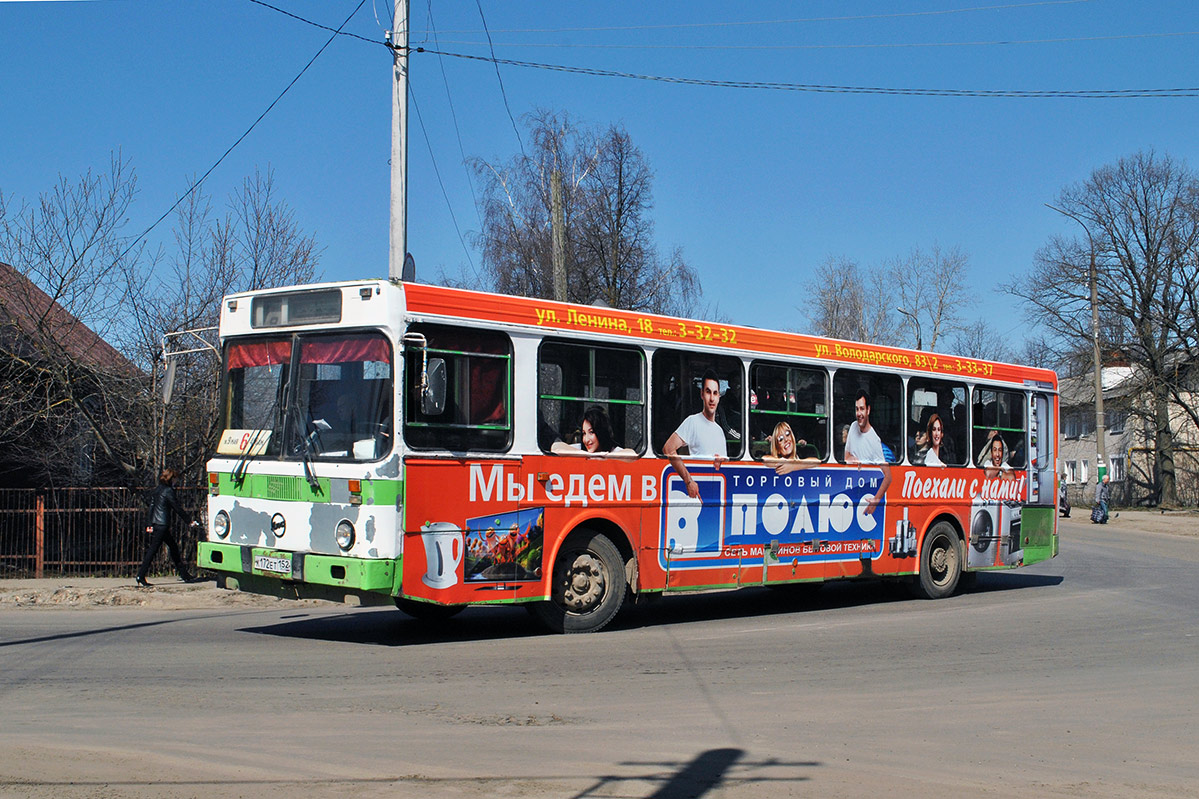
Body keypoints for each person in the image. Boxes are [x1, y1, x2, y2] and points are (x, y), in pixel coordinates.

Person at [663, 370, 728, 499]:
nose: (711, 398)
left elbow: (722, 466)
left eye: (715, 393)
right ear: (702, 394)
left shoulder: (720, 431)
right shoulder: (692, 421)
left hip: (715, 493)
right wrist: (688, 481)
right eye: (708, 392)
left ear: (719, 397)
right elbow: (668, 449)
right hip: (697, 492)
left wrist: (719, 462)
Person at [136, 468, 199, 587]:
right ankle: (140, 575)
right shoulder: (168, 491)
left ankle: (184, 574)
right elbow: (177, 508)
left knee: (173, 548)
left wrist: (149, 524)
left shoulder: (158, 489)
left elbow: (152, 507)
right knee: (153, 550)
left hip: (157, 524)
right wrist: (189, 521)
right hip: (162, 525)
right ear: (172, 478)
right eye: (175, 479)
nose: (176, 481)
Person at [842, 390, 892, 514]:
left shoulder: (874, 440)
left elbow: (888, 477)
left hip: (865, 495)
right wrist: (852, 459)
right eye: (857, 409)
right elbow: (846, 456)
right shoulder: (853, 426)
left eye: (862, 409)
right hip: (850, 491)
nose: (859, 413)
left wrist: (875, 500)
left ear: (868, 410)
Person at [551, 406, 637, 460]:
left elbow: (632, 455)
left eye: (591, 432)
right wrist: (587, 455)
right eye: (584, 433)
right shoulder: (580, 449)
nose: (586, 440)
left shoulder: (613, 451)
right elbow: (556, 447)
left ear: (601, 432)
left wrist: (604, 457)